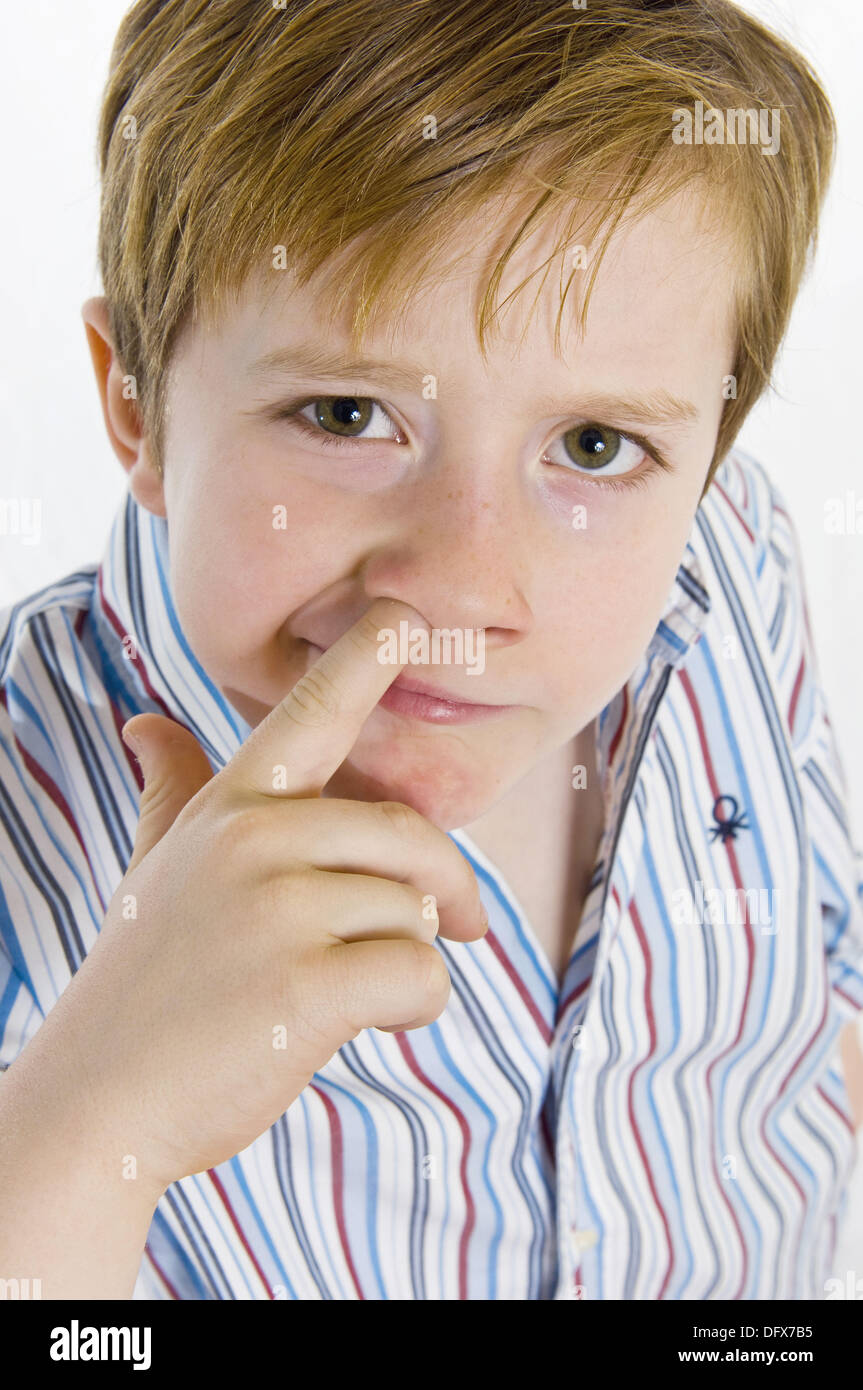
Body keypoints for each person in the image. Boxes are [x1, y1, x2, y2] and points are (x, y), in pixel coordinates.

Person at [1, 0, 861, 1300]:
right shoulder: (27, 808)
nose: (464, 584)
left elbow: (818, 945)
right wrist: (91, 1126)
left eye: (593, 448)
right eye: (347, 414)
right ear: (136, 401)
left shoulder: (726, 555)